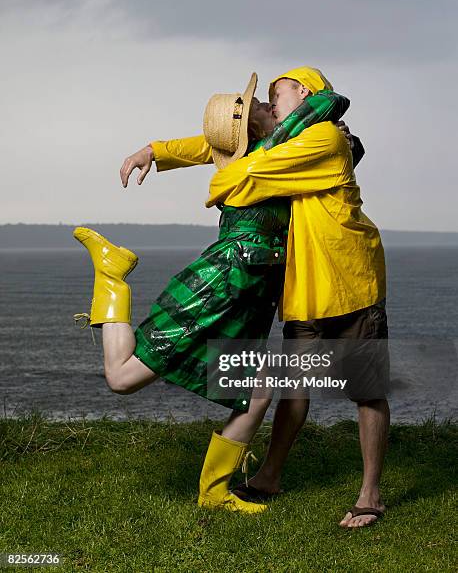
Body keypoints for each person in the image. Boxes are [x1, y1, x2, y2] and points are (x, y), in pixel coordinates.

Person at [123, 66, 389, 528]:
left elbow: (245, 167)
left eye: (275, 94)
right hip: (304, 283)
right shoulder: (287, 137)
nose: (269, 102)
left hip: (350, 281)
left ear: (303, 92)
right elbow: (222, 143)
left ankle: (370, 495)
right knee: (294, 385)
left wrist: (223, 181)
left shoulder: (324, 138)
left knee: (366, 390)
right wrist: (156, 151)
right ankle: (268, 476)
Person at [74, 72, 350, 514]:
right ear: (252, 128)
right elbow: (325, 102)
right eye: (263, 105)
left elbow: (223, 142)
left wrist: (154, 150)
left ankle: (214, 493)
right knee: (121, 377)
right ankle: (111, 275)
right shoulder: (273, 145)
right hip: (225, 277)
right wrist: (302, 98)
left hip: (254, 289)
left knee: (258, 392)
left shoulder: (283, 148)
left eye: (270, 100)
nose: (269, 105)